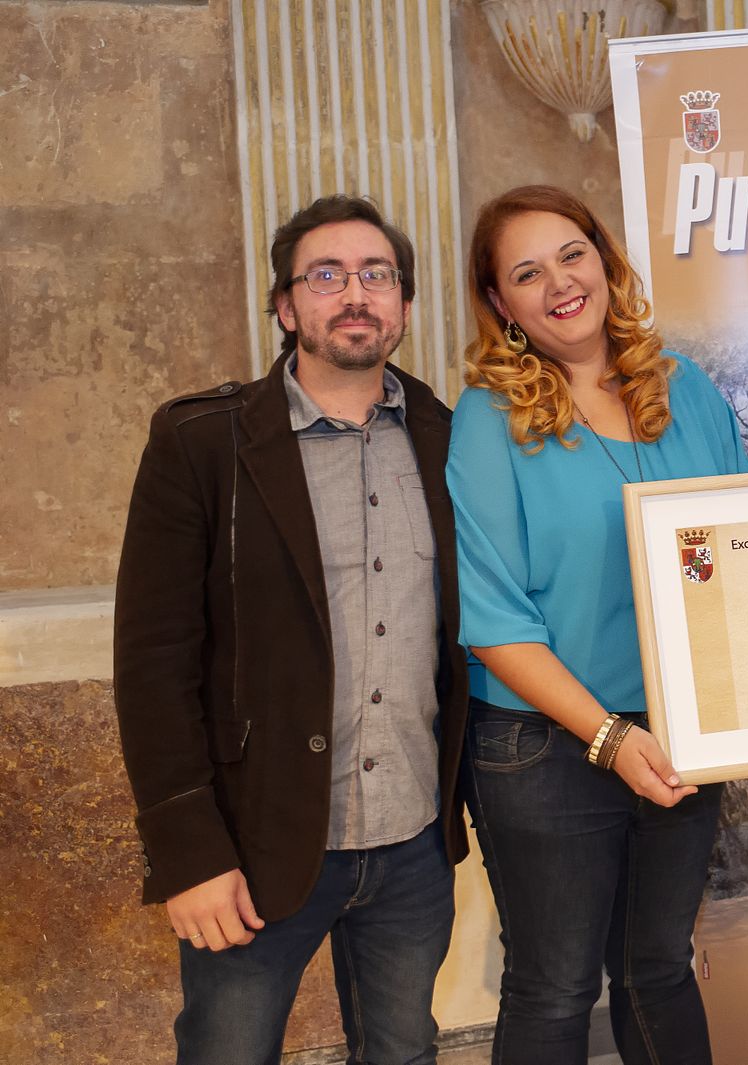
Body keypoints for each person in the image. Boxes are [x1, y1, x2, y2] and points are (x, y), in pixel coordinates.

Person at [113, 195, 471, 1064]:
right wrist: (187, 851)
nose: (356, 293)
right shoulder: (203, 441)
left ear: (405, 306)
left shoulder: (446, 436)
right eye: (327, 275)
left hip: (412, 842)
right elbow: (154, 663)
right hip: (255, 846)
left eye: (376, 275)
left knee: (405, 1052)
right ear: (285, 306)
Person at [446, 185, 748, 1064]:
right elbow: (493, 619)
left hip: (680, 731)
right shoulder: (487, 419)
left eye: (572, 254)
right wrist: (612, 737)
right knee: (556, 986)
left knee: (659, 968)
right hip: (545, 747)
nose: (559, 283)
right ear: (502, 304)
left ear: (605, 259)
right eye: (527, 273)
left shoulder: (684, 387)